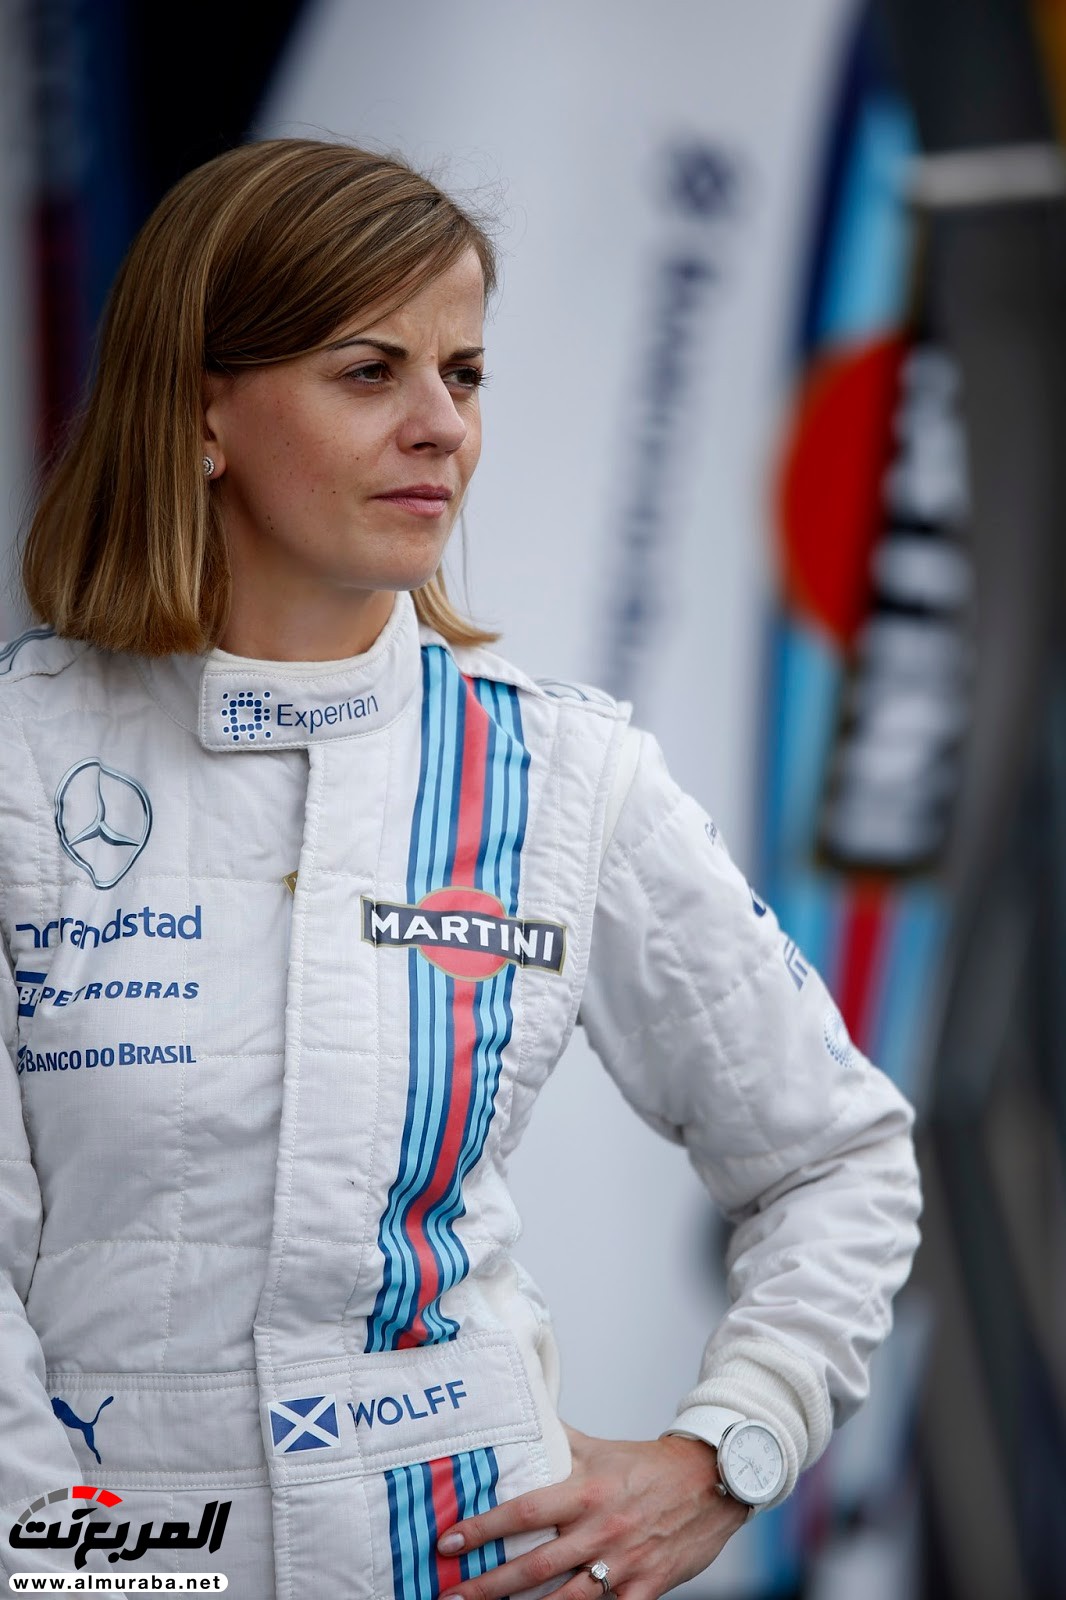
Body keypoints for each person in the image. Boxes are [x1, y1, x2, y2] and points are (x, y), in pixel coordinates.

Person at [0, 138, 921, 1599]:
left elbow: (836, 1156)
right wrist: (89, 1574)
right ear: (200, 411)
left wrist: (728, 1451)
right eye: (369, 372)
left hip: (480, 1556)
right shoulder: (23, 760)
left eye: (465, 374)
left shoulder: (563, 773)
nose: (440, 426)